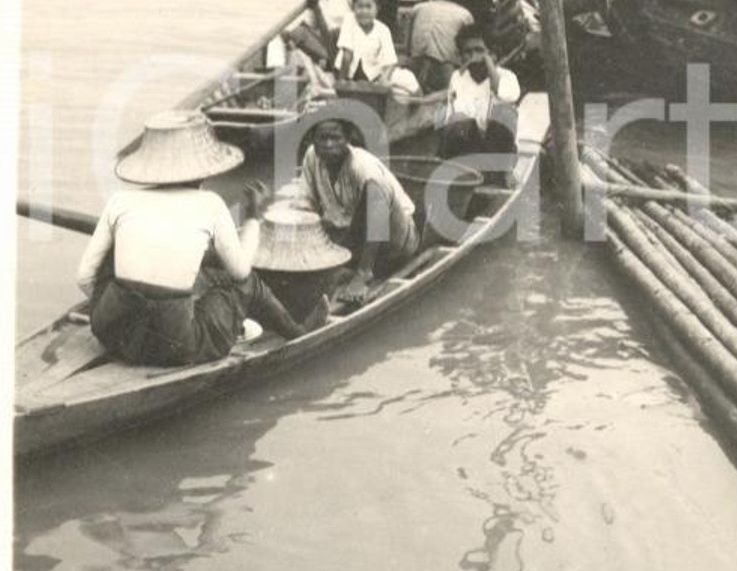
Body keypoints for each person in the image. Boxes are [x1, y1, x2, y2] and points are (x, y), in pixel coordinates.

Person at [77, 110, 325, 367]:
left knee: (116, 264)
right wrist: (253, 215)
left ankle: (133, 329)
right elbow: (241, 273)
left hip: (113, 334)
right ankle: (298, 333)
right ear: (204, 171)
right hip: (176, 344)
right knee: (249, 284)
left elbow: (84, 277)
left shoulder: (119, 200)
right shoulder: (210, 203)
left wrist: (123, 309)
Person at [295, 118, 419, 306]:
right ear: (313, 140)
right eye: (323, 138)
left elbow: (378, 212)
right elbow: (305, 204)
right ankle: (350, 266)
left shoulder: (361, 165)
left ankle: (364, 271)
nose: (329, 145)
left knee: (373, 192)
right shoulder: (312, 157)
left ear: (347, 139)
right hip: (355, 237)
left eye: (336, 138)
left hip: (396, 239)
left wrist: (362, 273)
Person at [439, 23, 521, 169]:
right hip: (471, 144)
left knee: (504, 112)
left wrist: (488, 63)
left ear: (491, 54)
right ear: (461, 56)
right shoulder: (457, 77)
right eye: (467, 52)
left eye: (479, 50)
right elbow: (455, 115)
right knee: (455, 121)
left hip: (498, 148)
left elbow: (505, 95)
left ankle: (502, 171)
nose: (473, 56)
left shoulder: (507, 76)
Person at [407, 0, 474, 92]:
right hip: (446, 72)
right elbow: (468, 53)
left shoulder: (418, 8)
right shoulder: (465, 15)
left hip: (416, 68)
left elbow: (408, 47)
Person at [335, 0, 398, 82]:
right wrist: (342, 81)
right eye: (360, 7)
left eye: (368, 7)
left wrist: (385, 79)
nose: (364, 11)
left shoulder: (383, 29)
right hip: (347, 71)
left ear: (377, 9)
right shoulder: (349, 21)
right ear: (353, 8)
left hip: (372, 73)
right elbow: (347, 55)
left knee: (406, 78)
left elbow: (391, 60)